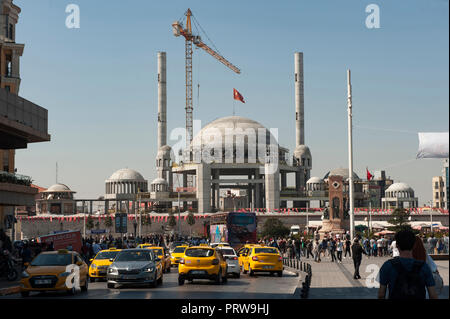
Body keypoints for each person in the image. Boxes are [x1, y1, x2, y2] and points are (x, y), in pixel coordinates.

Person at [378, 229, 437, 299]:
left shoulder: (388, 265)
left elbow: (381, 294)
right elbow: (433, 295)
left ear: (396, 245)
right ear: (414, 246)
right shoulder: (424, 266)